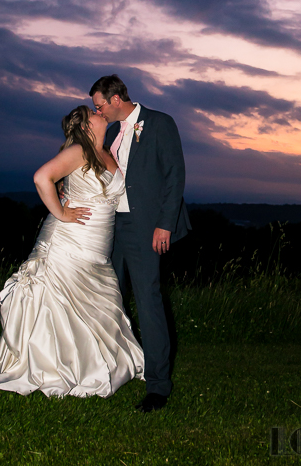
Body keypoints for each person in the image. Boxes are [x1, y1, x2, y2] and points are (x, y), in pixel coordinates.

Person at [0, 106, 144, 398]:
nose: (100, 112)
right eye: (94, 112)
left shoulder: (107, 152)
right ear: (84, 126)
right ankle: (53, 364)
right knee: (57, 301)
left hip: (97, 244)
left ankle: (95, 361)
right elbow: (42, 176)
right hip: (68, 240)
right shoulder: (80, 150)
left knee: (96, 302)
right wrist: (61, 212)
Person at [89, 74, 191, 413]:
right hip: (112, 226)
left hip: (146, 226)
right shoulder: (114, 132)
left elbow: (175, 174)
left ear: (116, 99)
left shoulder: (160, 123)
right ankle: (112, 370)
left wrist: (165, 223)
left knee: (148, 301)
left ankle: (158, 385)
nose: (98, 112)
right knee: (109, 298)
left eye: (100, 105)